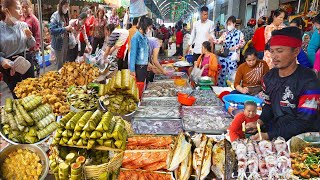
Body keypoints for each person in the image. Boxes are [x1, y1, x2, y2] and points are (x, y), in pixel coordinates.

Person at [245, 27, 320, 141]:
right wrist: (259, 122)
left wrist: (269, 135)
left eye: (279, 51)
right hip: (275, 134)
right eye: (272, 51)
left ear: (296, 51)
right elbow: (269, 105)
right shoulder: (269, 77)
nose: (274, 56)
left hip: (301, 142)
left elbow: (304, 122)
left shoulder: (308, 81)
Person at [0, 0, 36, 98]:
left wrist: (29, 37)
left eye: (22, 8)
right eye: (18, 8)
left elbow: (31, 45)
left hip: (26, 62)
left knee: (33, 91)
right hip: (10, 67)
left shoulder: (23, 25)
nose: (21, 11)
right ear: (7, 10)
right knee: (19, 96)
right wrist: (2, 60)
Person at [210, 16, 245, 87]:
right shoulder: (225, 33)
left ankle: (229, 89)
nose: (228, 26)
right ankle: (220, 89)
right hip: (223, 56)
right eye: (227, 24)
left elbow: (242, 43)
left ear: (234, 24)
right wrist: (212, 39)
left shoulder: (239, 33)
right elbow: (218, 41)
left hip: (233, 56)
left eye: (230, 24)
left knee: (231, 73)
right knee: (222, 73)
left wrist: (236, 47)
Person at [50, 0, 73, 70]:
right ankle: (57, 79)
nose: (67, 8)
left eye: (68, 6)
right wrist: (65, 28)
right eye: (65, 6)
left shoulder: (66, 16)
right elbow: (52, 30)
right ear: (61, 6)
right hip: (58, 43)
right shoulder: (55, 16)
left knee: (63, 63)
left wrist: (69, 29)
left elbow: (66, 28)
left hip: (65, 42)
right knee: (59, 65)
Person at [129, 16, 153, 82]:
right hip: (139, 67)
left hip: (144, 66)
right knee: (140, 86)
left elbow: (146, 53)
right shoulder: (136, 37)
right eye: (149, 28)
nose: (150, 30)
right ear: (145, 26)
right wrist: (132, 70)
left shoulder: (145, 37)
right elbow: (133, 54)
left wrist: (148, 63)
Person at [20, 0, 40, 76]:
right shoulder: (20, 18)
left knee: (32, 64)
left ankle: (37, 73)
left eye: (26, 7)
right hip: (22, 48)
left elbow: (37, 34)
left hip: (31, 47)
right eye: (22, 7)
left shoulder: (34, 19)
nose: (24, 9)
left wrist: (36, 46)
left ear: (30, 7)